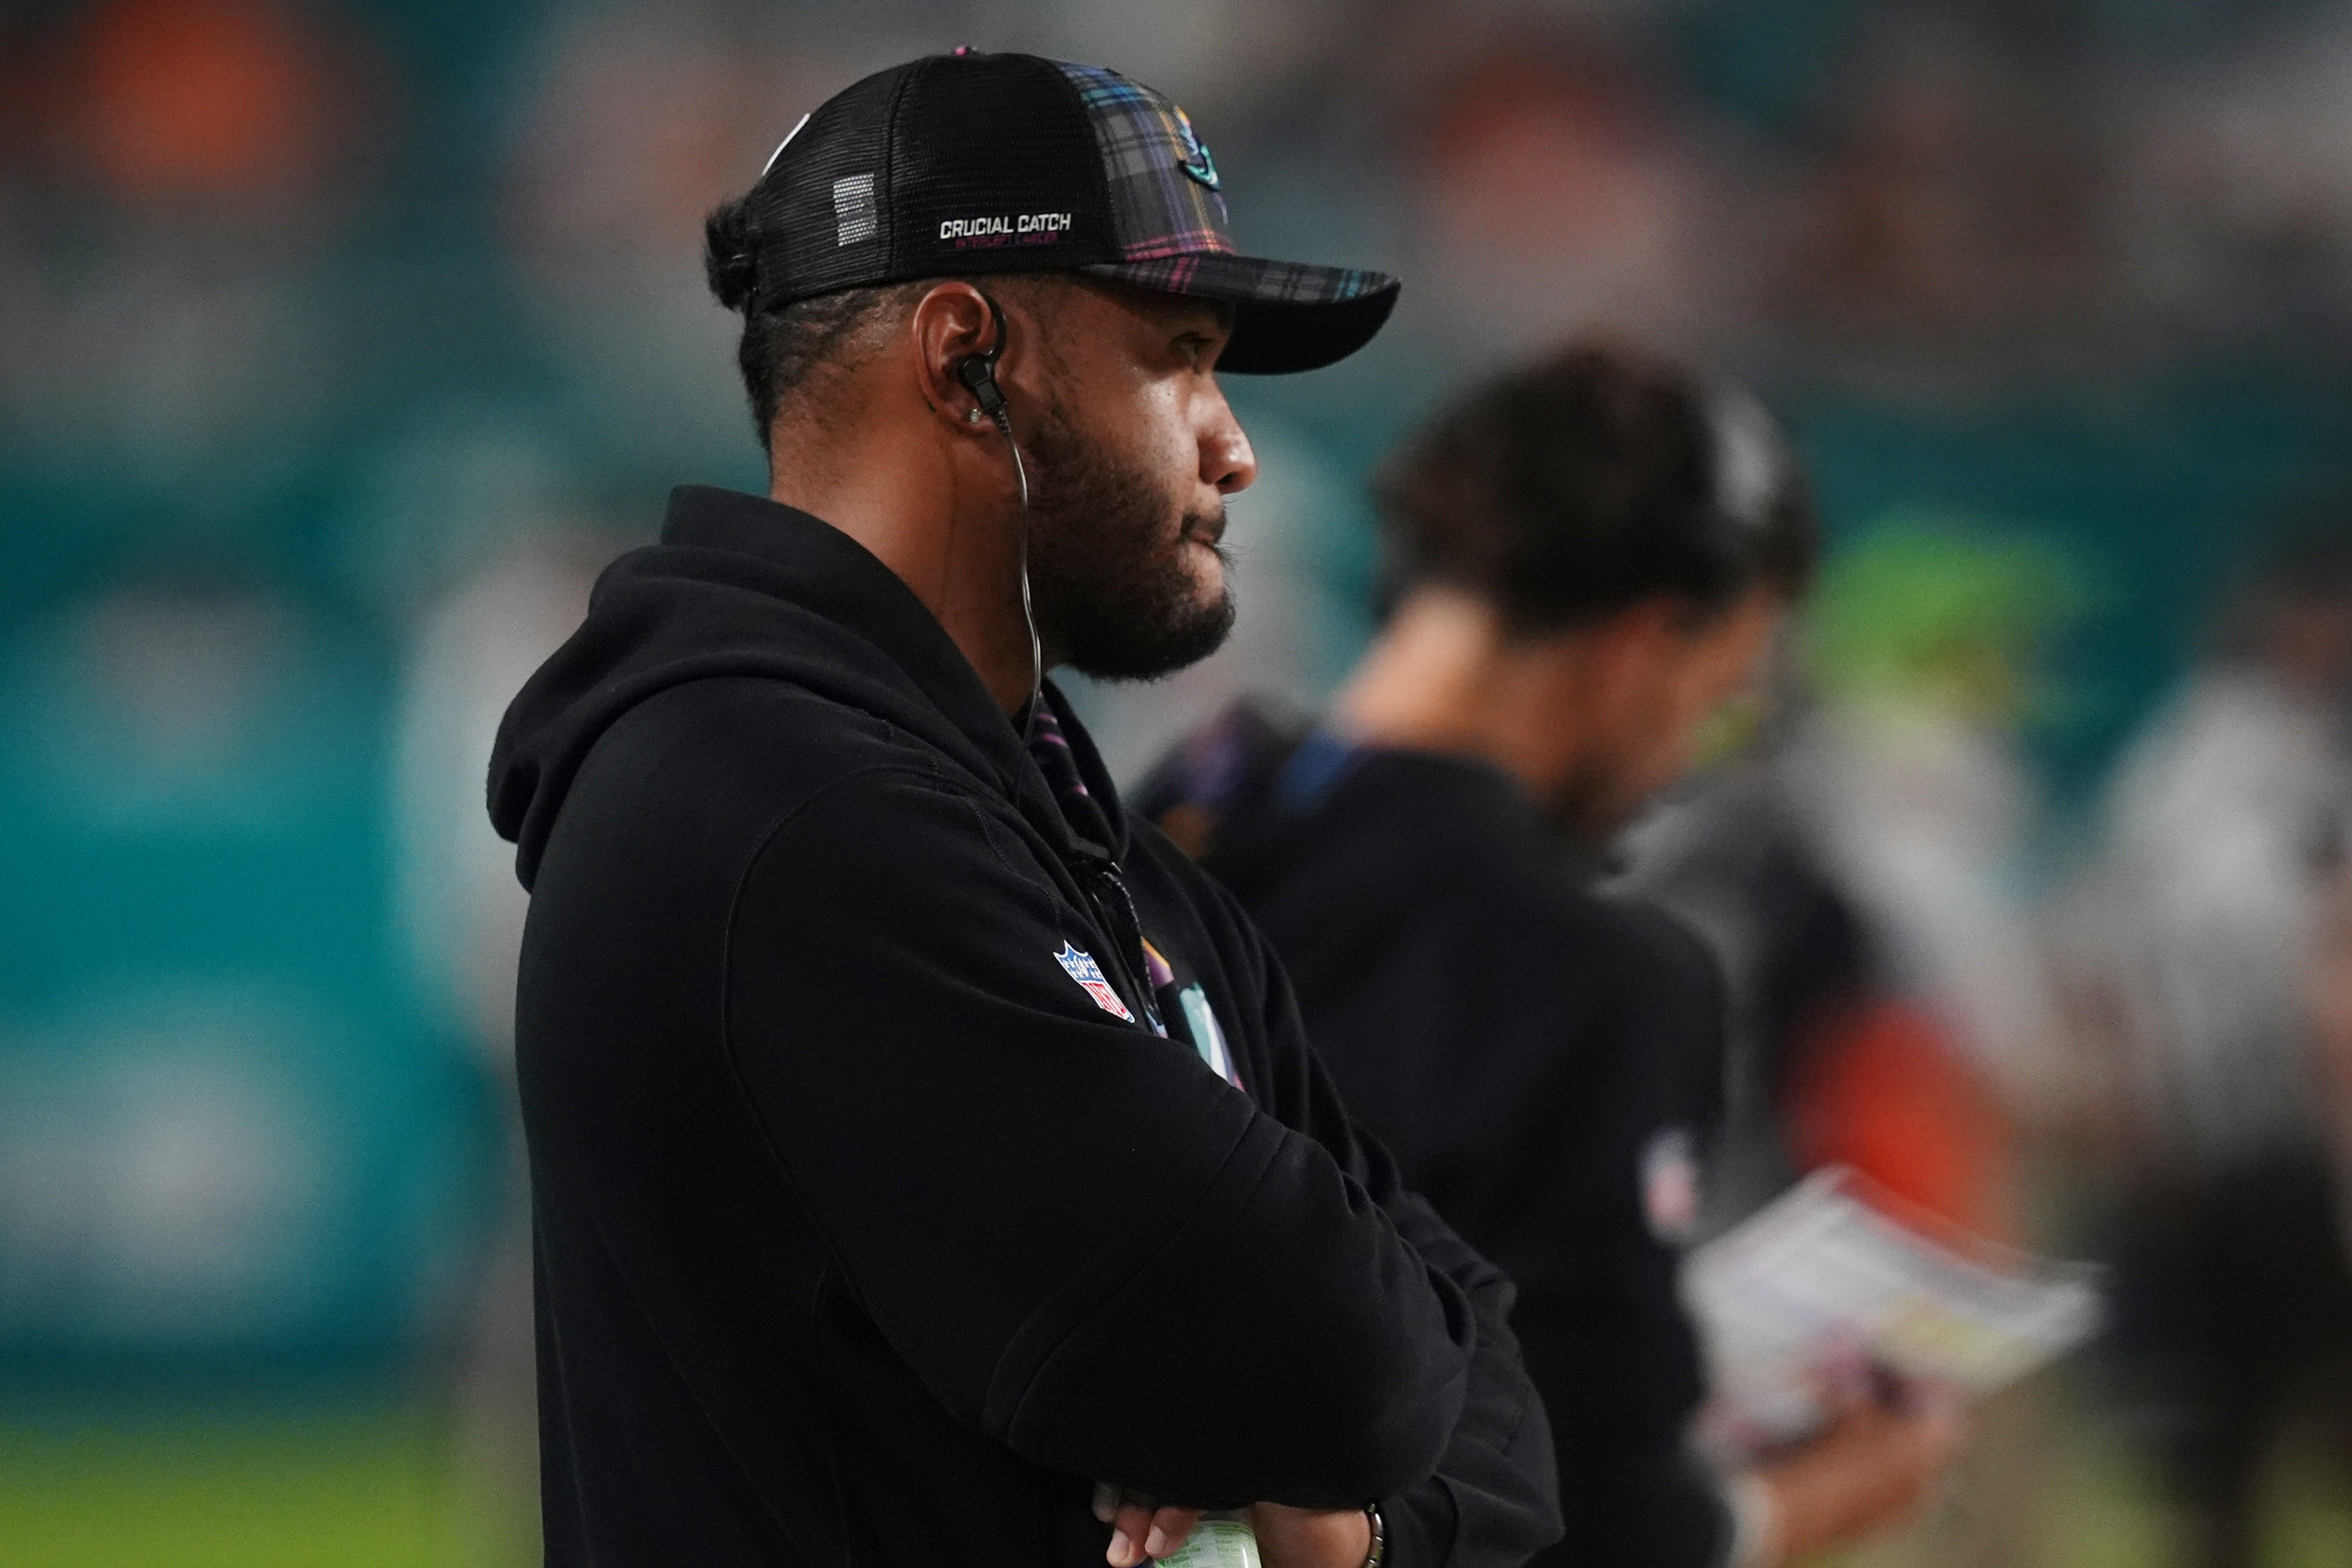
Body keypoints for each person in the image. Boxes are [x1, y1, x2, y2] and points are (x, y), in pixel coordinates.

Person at [486, 50, 1560, 1568]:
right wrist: (1337, 1414)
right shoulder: (782, 808)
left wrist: (1378, 1524)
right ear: (963, 351)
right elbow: (1342, 1359)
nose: (1233, 444)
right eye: (1178, 356)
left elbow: (1481, 1348)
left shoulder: (1068, 830)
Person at [1136, 342, 1960, 1568]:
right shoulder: (1602, 975)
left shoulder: (1173, 820)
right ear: (1639, 644)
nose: (1687, 751)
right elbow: (1593, 1524)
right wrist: (1824, 1494)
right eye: (1714, 689)